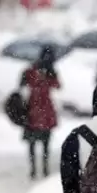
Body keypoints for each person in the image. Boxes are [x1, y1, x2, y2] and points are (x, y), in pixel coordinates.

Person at [20, 45, 61, 179]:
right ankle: (44, 168)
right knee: (45, 142)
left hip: (33, 110)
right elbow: (57, 85)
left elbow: (22, 84)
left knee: (33, 143)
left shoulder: (31, 70)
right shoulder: (49, 71)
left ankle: (34, 169)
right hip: (44, 110)